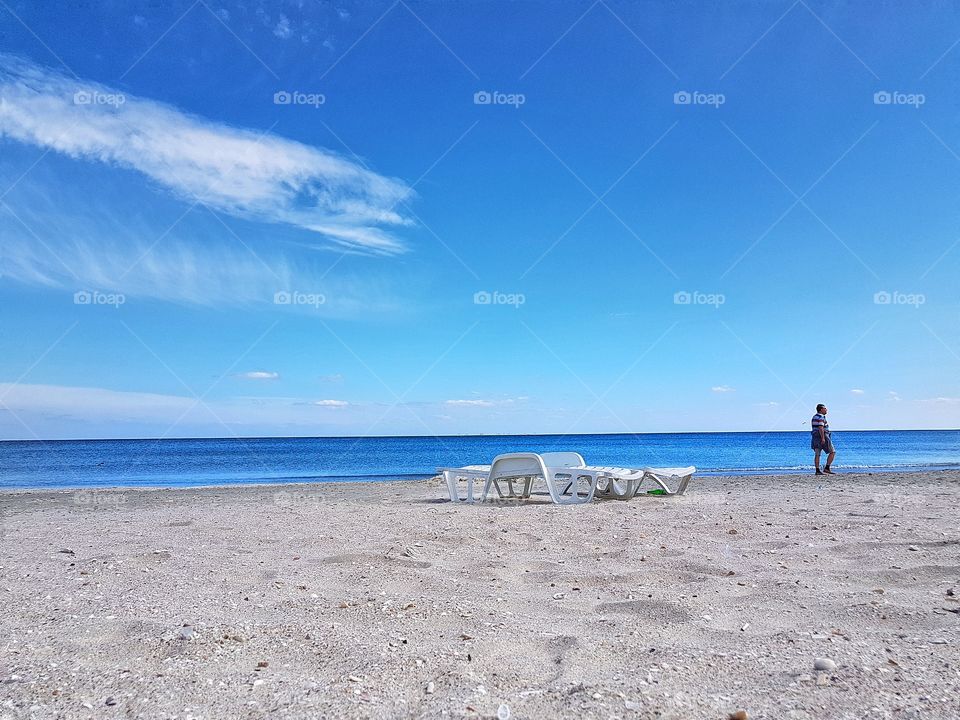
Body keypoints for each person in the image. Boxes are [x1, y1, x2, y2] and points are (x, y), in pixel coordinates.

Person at [811, 403, 836, 475]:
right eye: (825, 408)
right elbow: (820, 427)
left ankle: (817, 470)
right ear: (821, 409)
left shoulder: (814, 417)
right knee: (832, 452)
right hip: (823, 435)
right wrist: (823, 438)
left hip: (815, 436)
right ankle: (827, 468)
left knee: (817, 454)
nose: (826, 410)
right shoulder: (822, 417)